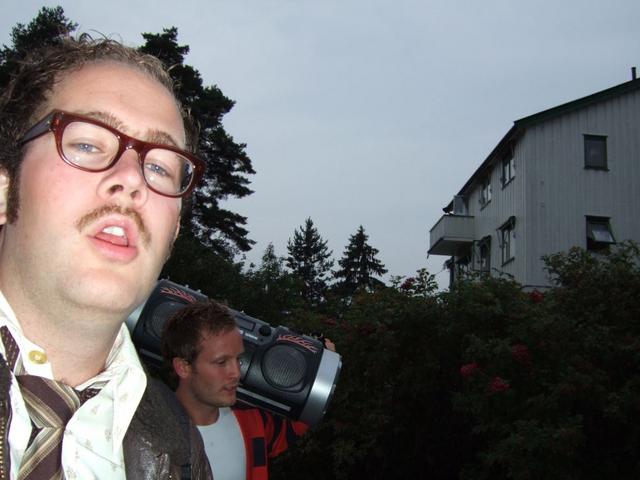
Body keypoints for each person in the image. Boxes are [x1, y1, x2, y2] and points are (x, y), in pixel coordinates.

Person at [0, 35, 211, 479]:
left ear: (173, 231)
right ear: (5, 191)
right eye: (88, 144)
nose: (132, 178)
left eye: (159, 167)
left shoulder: (182, 454)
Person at [162, 300, 333, 480]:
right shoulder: (153, 436)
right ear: (184, 367)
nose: (236, 373)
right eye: (221, 362)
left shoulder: (251, 420)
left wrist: (321, 362)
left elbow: (293, 426)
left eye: (238, 359)